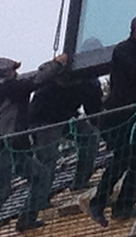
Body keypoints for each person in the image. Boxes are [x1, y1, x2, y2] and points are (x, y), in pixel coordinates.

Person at [0, 55, 67, 237]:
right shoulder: (4, 87)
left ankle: (27, 218)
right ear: (5, 73)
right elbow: (35, 81)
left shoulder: (6, 87)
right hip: (1, 146)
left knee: (40, 175)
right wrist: (57, 64)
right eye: (13, 70)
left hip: (15, 144)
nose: (16, 74)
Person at [88, 13, 136, 226]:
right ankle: (99, 203)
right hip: (118, 116)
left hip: (135, 118)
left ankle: (122, 204)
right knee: (124, 157)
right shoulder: (123, 51)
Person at [28, 53, 103, 194]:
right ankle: (41, 199)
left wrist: (104, 128)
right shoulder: (58, 68)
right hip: (44, 119)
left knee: (90, 135)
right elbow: (41, 76)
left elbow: (93, 111)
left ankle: (80, 182)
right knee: (48, 156)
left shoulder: (90, 80)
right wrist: (56, 65)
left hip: (66, 118)